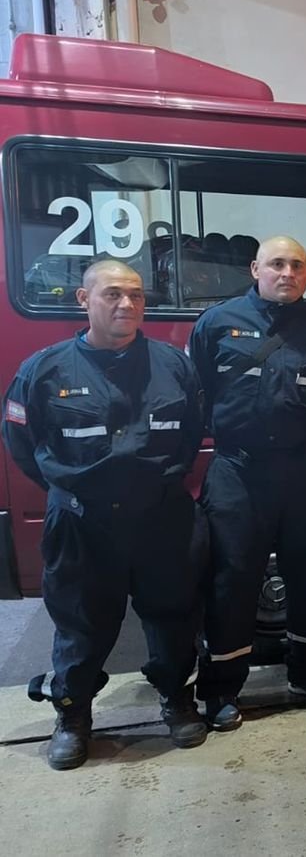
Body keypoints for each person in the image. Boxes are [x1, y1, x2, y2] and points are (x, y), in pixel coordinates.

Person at [2, 260, 207, 770]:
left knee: (172, 617)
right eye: (113, 294)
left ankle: (177, 700)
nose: (126, 305)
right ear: (83, 300)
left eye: (135, 295)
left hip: (161, 519)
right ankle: (73, 715)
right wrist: (74, 490)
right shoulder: (44, 371)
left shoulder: (173, 366)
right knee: (81, 624)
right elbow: (23, 445)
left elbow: (191, 434)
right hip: (83, 523)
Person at [189, 236, 306, 727]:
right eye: (276, 264)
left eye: (296, 265)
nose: (287, 273)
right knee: (232, 580)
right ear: (255, 268)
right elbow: (200, 388)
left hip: (304, 469)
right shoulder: (216, 324)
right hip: (239, 469)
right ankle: (221, 694)